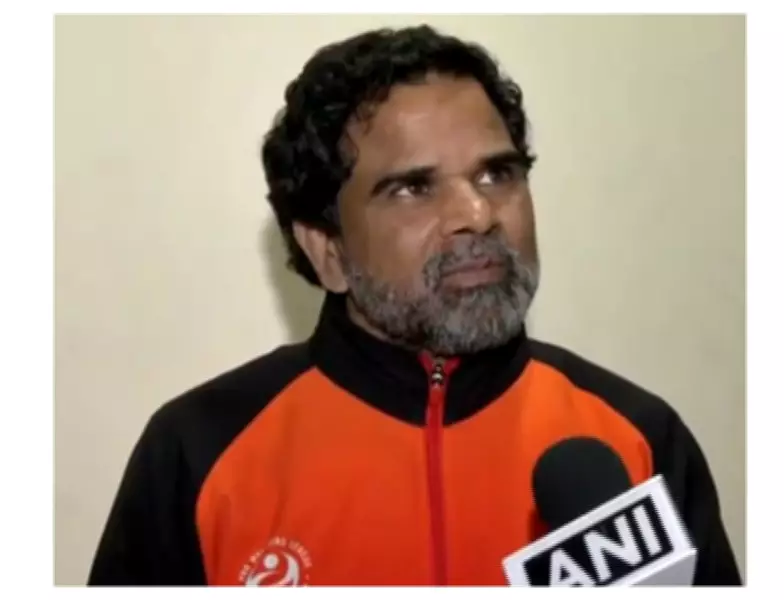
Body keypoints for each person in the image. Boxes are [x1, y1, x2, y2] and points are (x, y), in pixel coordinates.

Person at [88, 25, 741, 586]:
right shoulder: (200, 452)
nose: (477, 214)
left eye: (497, 174)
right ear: (327, 251)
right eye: (412, 188)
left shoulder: (634, 438)